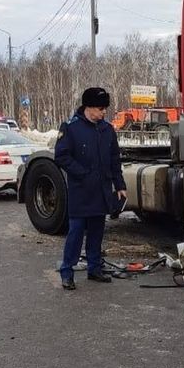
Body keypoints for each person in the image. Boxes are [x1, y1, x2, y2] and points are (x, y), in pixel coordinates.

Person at [55, 87, 127, 290]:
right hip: (81, 191)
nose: (104, 112)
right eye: (100, 108)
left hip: (101, 191)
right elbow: (61, 156)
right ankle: (67, 271)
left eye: (105, 108)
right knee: (76, 233)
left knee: (97, 232)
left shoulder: (107, 129)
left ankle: (94, 268)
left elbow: (115, 159)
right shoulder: (71, 127)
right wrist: (82, 173)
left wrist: (120, 185)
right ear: (88, 107)